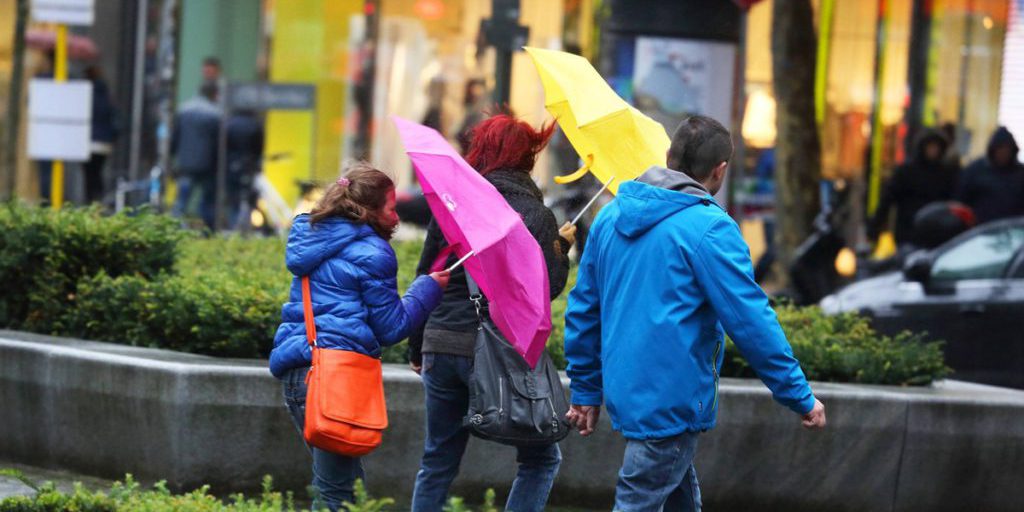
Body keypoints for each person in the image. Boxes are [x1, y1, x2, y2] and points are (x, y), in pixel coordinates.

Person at [564, 115, 826, 512]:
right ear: (719, 170)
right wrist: (798, 394)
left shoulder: (610, 217)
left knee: (677, 496)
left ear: (669, 156)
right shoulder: (711, 229)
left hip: (629, 392)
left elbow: (584, 308)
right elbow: (752, 322)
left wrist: (585, 387)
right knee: (640, 499)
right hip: (673, 399)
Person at [408, 114, 576, 512]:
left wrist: (418, 348)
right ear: (526, 158)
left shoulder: (452, 202)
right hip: (497, 353)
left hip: (440, 344)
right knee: (541, 457)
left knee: (437, 460)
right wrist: (560, 249)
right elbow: (544, 290)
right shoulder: (535, 214)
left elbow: (427, 277)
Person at [270, 163, 449, 510]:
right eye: (391, 208)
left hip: (299, 373)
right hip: (332, 376)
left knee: (345, 487)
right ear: (369, 210)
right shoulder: (374, 253)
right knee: (337, 493)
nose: (397, 217)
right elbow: (391, 328)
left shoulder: (310, 235)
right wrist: (426, 290)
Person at [869, 128, 958, 248]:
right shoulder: (907, 171)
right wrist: (875, 226)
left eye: (936, 147)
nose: (933, 151)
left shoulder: (947, 174)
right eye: (930, 146)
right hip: (907, 232)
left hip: (935, 236)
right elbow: (888, 199)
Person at [171, 81, 221, 230]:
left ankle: (176, 229)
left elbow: (176, 136)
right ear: (214, 95)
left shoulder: (184, 109)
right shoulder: (215, 113)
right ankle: (207, 231)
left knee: (182, 200)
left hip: (186, 163)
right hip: (207, 164)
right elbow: (217, 143)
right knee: (207, 201)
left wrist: (173, 156)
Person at [956, 127, 1024, 224]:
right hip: (979, 230)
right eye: (1000, 149)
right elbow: (961, 200)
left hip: (1011, 229)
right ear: (993, 150)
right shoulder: (975, 170)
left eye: (1007, 149)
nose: (1003, 153)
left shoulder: (1020, 173)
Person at [84, 65, 118, 205]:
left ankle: (90, 200)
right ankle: (98, 198)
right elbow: (114, 119)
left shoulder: (86, 96)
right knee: (98, 172)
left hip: (88, 141)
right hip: (104, 142)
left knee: (89, 174)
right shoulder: (107, 96)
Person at [225, 109, 264, 228]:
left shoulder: (229, 124)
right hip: (249, 164)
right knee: (250, 195)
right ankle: (249, 224)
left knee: (233, 198)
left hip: (231, 164)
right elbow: (259, 147)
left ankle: (233, 223)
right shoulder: (255, 125)